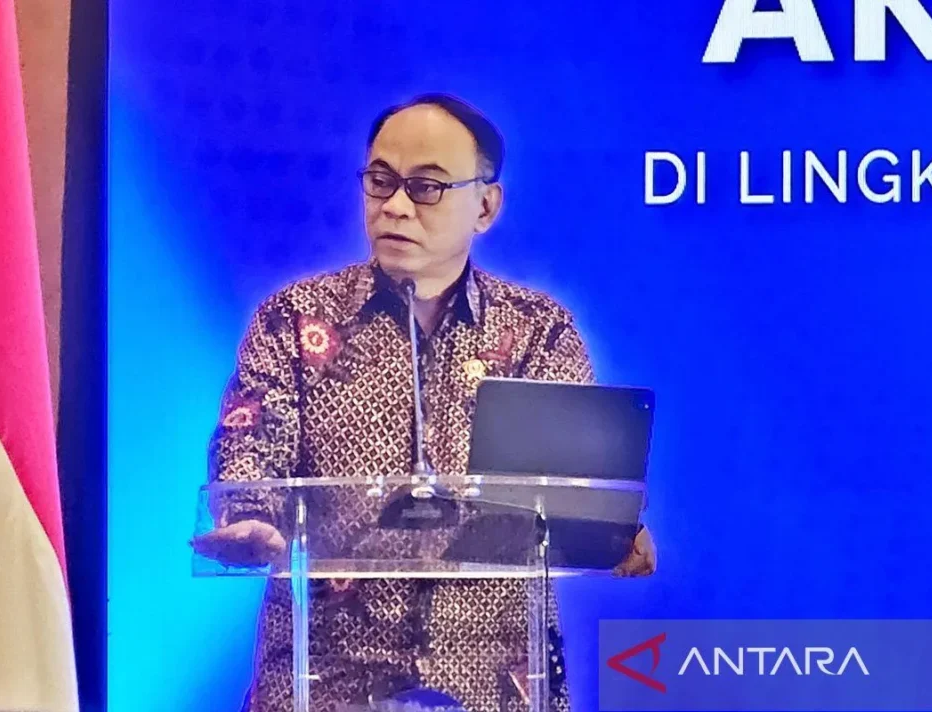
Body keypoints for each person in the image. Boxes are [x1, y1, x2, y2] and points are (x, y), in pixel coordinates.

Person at [192, 93, 656, 712]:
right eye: (380, 181)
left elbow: (572, 493)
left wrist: (610, 530)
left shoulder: (538, 330)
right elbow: (248, 451)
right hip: (324, 677)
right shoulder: (294, 318)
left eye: (426, 187)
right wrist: (249, 518)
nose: (395, 206)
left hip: (489, 679)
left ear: (485, 206)